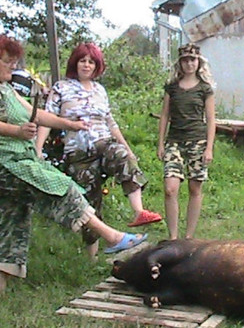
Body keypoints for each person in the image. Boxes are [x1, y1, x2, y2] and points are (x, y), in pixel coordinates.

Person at [0, 32, 147, 296]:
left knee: (13, 218)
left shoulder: (5, 88)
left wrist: (70, 124)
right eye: (8, 61)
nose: (13, 66)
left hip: (16, 159)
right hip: (2, 162)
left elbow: (37, 115)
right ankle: (113, 238)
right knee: (62, 187)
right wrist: (16, 132)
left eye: (14, 61)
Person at [35, 43, 162, 257]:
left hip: (102, 142)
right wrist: (38, 149)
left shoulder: (99, 90)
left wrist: (128, 148)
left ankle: (139, 211)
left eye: (91, 61)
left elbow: (111, 123)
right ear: (75, 63)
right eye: (83, 60)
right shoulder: (61, 88)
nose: (86, 65)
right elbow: (47, 118)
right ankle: (91, 259)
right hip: (77, 151)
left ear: (97, 66)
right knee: (90, 201)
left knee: (121, 155)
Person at [157, 43, 216, 239]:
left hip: (197, 142)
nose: (189, 63)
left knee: (194, 188)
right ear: (180, 63)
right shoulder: (172, 88)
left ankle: (188, 237)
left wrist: (209, 148)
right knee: (170, 188)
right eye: (185, 60)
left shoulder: (205, 89)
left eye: (193, 59)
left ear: (198, 62)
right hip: (174, 141)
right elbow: (164, 116)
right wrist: (160, 143)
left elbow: (211, 120)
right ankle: (173, 237)